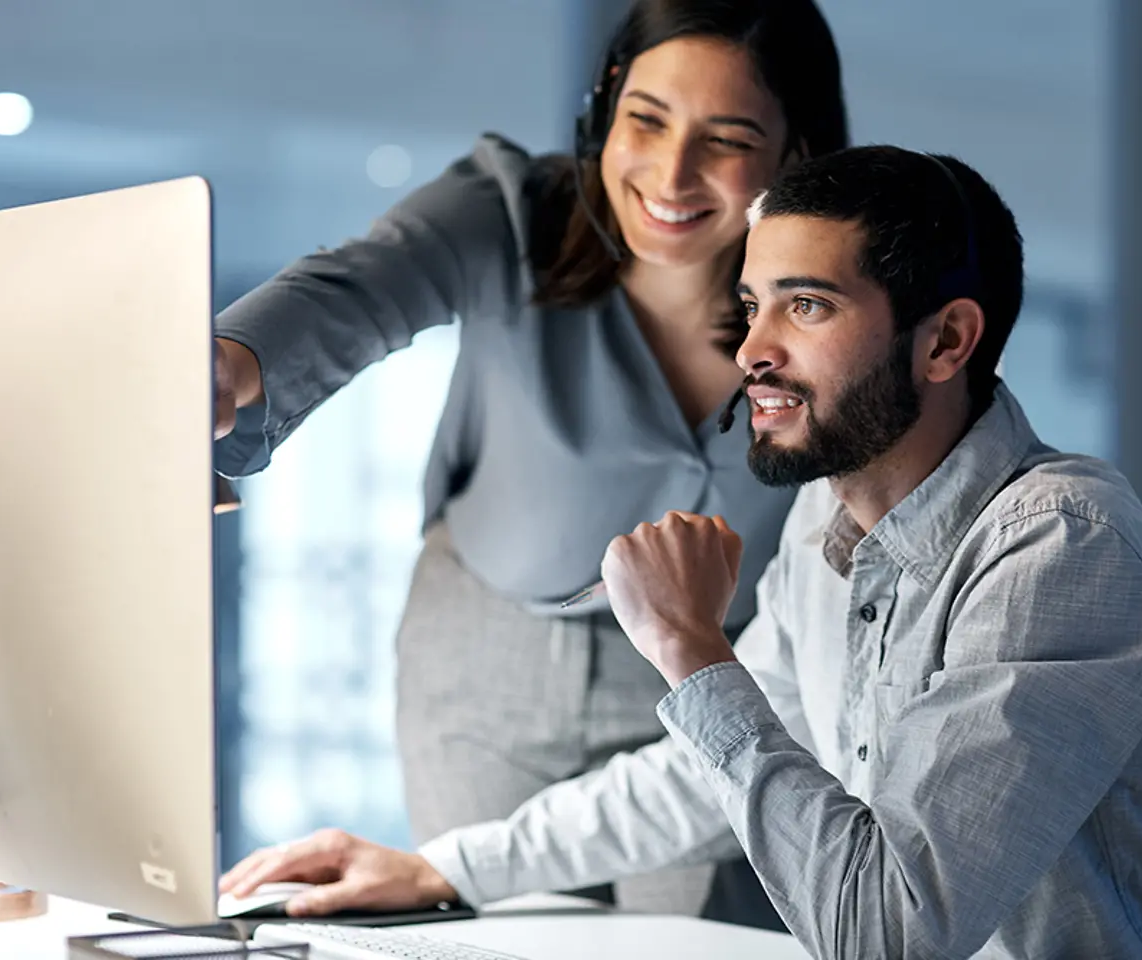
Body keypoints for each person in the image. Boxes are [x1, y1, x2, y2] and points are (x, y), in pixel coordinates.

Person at [220, 145, 1142, 958]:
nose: (752, 350)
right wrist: (444, 868)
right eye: (753, 305)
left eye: (807, 305)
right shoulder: (828, 522)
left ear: (945, 343)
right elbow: (697, 776)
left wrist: (689, 649)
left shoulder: (1057, 552)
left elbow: (887, 933)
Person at [213, 0, 848, 922]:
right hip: (488, 656)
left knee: (698, 938)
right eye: (646, 120)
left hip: (707, 663)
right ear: (603, 112)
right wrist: (232, 360)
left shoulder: (825, 302)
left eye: (727, 137)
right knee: (498, 929)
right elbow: (358, 286)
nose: (672, 172)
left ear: (796, 152)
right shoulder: (510, 211)